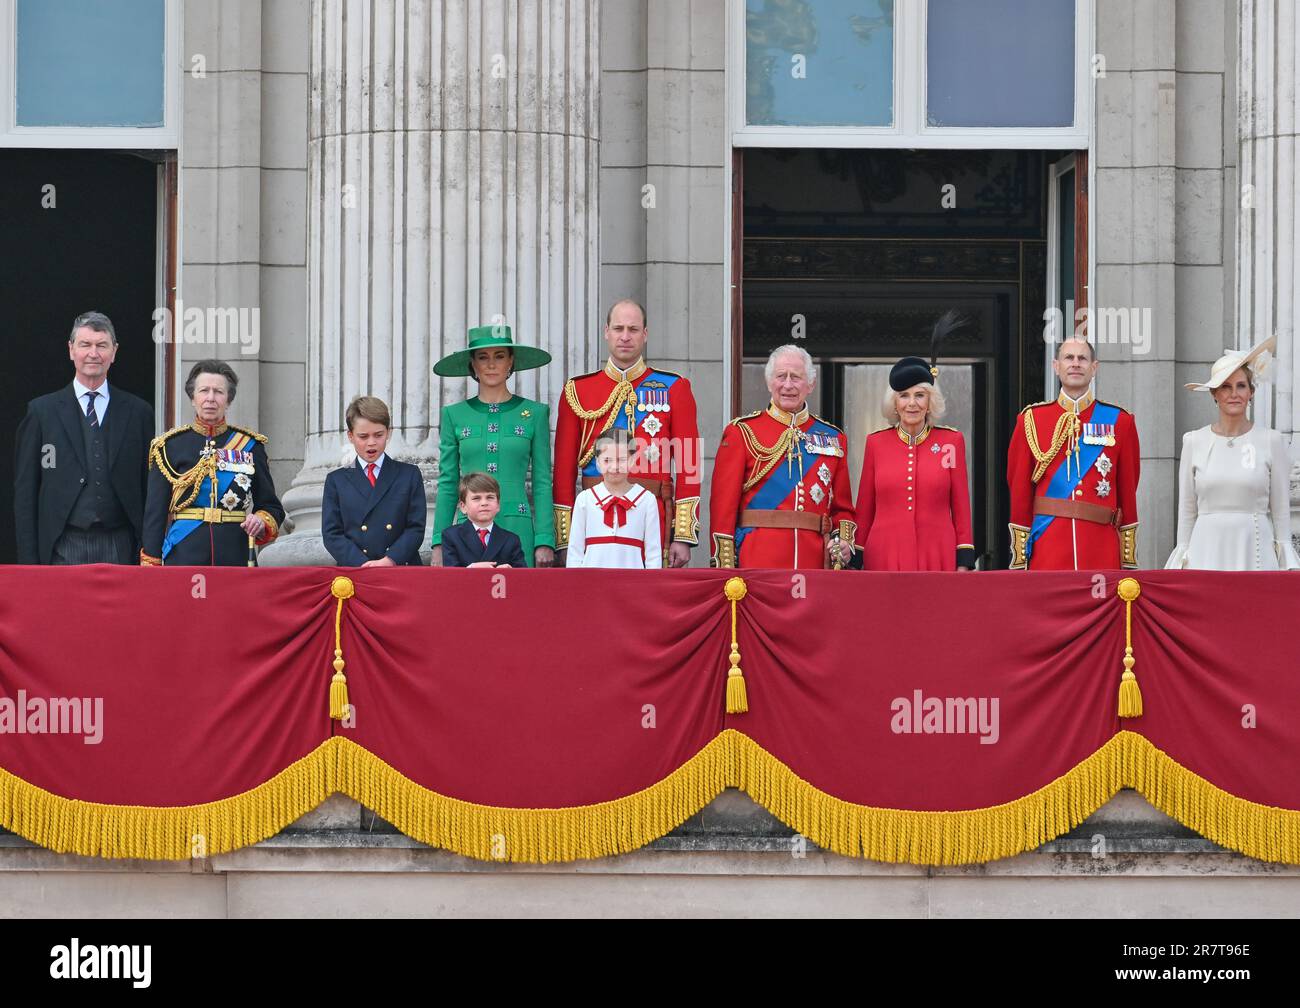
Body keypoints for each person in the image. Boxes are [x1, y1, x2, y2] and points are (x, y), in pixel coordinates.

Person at [553, 299, 701, 567]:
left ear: (645, 334)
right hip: (593, 518)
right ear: (606, 331)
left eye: (633, 329)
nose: (625, 336)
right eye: (618, 328)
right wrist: (565, 539)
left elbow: (690, 464)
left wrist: (683, 534)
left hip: (654, 517)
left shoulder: (675, 388)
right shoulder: (578, 391)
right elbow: (563, 471)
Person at [14, 311, 154, 564]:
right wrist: (29, 562)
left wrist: (150, 549)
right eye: (85, 344)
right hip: (62, 544)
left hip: (122, 545)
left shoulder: (139, 412)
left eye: (102, 345)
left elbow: (150, 487)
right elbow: (26, 492)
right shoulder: (42, 412)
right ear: (71, 350)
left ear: (114, 352)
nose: (93, 353)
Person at [709, 345, 855, 569]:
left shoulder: (834, 438)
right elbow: (723, 508)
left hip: (814, 562)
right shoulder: (742, 432)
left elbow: (842, 508)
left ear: (811, 384)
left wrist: (843, 541)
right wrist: (724, 566)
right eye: (781, 377)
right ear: (769, 382)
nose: (787, 385)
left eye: (796, 377)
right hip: (757, 560)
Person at [1166, 337, 1300, 570]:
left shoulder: (1272, 441)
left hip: (1255, 551)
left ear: (1251, 392)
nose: (1234, 393)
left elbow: (1280, 513)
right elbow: (1187, 512)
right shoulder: (1193, 441)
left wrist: (1286, 560)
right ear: (1214, 394)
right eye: (1225, 387)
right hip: (1205, 552)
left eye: (1241, 385)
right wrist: (1182, 554)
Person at [1006, 338, 1140, 570]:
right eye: (1069, 358)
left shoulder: (1120, 421)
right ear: (1056, 366)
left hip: (1100, 548)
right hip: (1048, 547)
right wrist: (1020, 556)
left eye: (1082, 358)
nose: (1075, 364)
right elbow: (1019, 489)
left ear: (1094, 367)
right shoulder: (1031, 420)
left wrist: (1126, 556)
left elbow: (1128, 489)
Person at [431, 325, 555, 567]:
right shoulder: (453, 415)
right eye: (483, 357)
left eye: (499, 356)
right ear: (473, 365)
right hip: (466, 533)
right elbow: (448, 482)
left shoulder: (535, 414)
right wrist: (438, 541)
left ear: (511, 362)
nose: (491, 364)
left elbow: (542, 481)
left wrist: (544, 539)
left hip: (517, 527)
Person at [140, 360, 284, 566]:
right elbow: (155, 514)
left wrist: (261, 520)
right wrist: (151, 564)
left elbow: (271, 506)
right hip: (184, 553)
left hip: (235, 554)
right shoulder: (169, 446)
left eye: (218, 392)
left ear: (228, 400)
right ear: (192, 398)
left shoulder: (250, 446)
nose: (210, 398)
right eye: (203, 390)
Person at [853, 355, 975, 571]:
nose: (912, 403)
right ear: (894, 403)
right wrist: (857, 557)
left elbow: (961, 506)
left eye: (920, 395)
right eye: (904, 396)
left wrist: (964, 558)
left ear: (929, 403)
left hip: (938, 552)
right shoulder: (876, 443)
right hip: (884, 553)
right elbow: (864, 508)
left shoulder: (951, 442)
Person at [322, 395, 427, 566]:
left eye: (378, 435)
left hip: (400, 567)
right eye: (363, 436)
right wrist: (362, 564)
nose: (371, 443)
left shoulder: (409, 474)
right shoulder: (336, 480)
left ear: (389, 432)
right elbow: (332, 534)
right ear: (350, 436)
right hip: (356, 569)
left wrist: (390, 559)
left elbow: (415, 528)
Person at [565, 430, 663, 569]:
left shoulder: (647, 500)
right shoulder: (585, 499)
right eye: (607, 460)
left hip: (633, 584)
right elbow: (575, 552)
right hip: (591, 583)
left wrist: (649, 588)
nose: (614, 467)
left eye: (621, 460)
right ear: (597, 461)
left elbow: (653, 554)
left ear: (632, 460)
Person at [440, 472, 526, 568]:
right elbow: (450, 576)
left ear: (498, 505)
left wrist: (511, 573)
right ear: (463, 507)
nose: (484, 503)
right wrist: (471, 569)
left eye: (490, 497)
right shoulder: (451, 536)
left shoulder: (511, 540)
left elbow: (523, 578)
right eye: (476, 498)